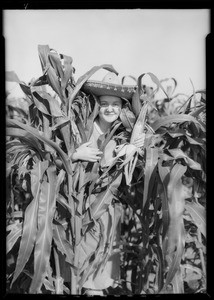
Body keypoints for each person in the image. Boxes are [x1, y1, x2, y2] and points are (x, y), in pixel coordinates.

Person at [71, 72, 145, 295]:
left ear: (122, 107)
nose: (110, 109)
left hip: (107, 208)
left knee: (99, 276)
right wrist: (75, 155)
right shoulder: (81, 127)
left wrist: (135, 150)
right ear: (97, 105)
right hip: (79, 208)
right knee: (81, 275)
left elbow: (140, 171)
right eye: (104, 104)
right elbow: (52, 159)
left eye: (115, 104)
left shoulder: (124, 133)